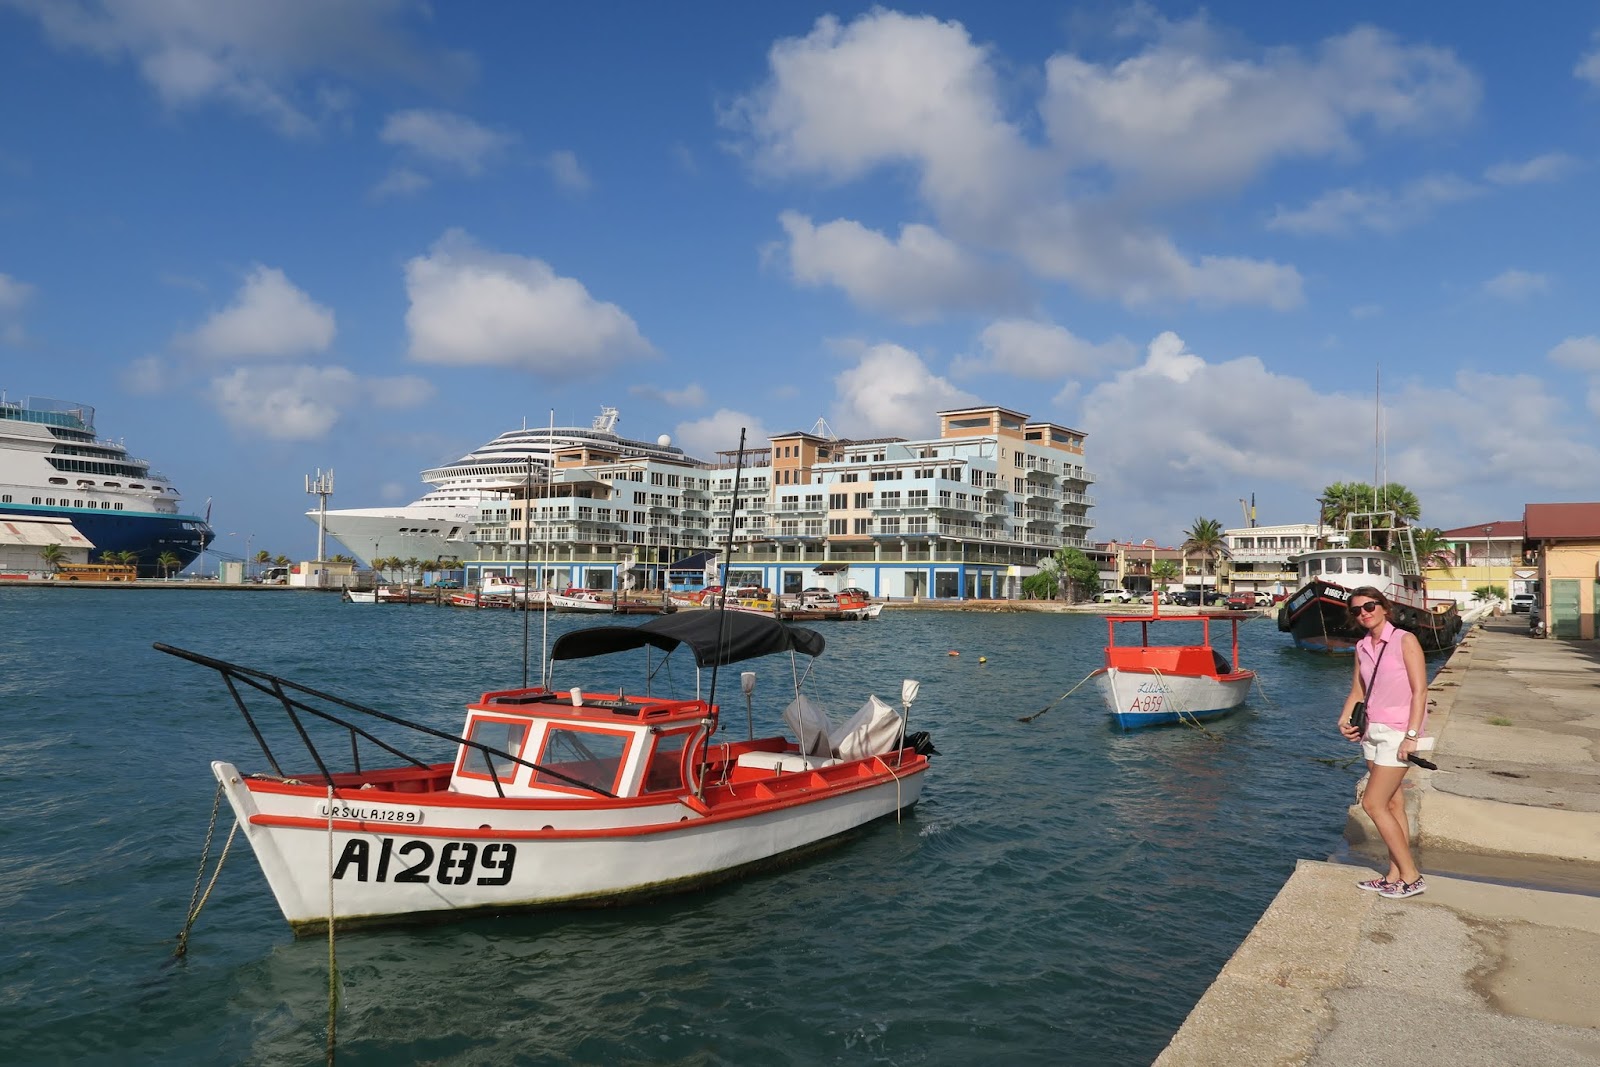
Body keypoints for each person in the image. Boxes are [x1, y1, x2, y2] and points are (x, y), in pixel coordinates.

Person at [1337, 586, 1429, 899]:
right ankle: (1394, 874)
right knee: (1393, 803)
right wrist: (1344, 719)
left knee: (1372, 803)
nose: (1363, 612)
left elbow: (1420, 692)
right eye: (1356, 610)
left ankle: (1412, 875)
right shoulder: (1362, 647)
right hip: (1371, 731)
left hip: (1397, 732)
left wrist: (1412, 736)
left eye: (1369, 606)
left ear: (1384, 607)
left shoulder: (1405, 640)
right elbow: (1358, 692)